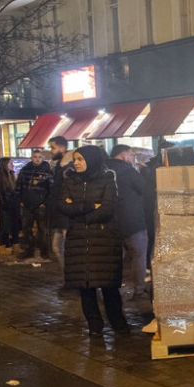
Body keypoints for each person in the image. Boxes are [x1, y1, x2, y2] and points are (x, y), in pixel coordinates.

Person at [59, 145, 130, 338]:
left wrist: (79, 214)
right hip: (78, 242)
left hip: (104, 238)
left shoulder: (107, 178)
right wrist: (91, 205)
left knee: (109, 286)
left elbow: (107, 208)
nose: (77, 163)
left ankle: (118, 322)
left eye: (81, 159)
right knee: (85, 286)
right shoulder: (70, 180)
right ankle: (94, 324)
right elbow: (63, 206)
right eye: (75, 159)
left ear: (92, 160)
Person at [106, 145, 148, 300]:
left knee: (115, 258)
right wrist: (144, 170)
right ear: (124, 156)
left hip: (110, 220)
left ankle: (111, 290)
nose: (132, 158)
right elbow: (144, 187)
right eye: (131, 155)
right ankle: (139, 289)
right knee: (138, 254)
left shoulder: (103, 171)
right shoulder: (128, 171)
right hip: (132, 220)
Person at [16, 149, 52, 258]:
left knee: (43, 229)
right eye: (35, 157)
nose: (37, 159)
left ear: (42, 158)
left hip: (40, 205)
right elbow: (18, 186)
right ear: (31, 158)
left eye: (39, 157)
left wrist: (45, 202)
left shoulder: (47, 172)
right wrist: (20, 201)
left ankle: (44, 252)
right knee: (26, 229)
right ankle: (29, 251)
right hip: (26, 205)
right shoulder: (25, 171)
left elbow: (52, 189)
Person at [47, 136, 74, 268]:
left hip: (66, 214)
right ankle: (68, 278)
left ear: (62, 148)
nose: (51, 151)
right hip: (58, 213)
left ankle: (73, 279)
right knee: (57, 247)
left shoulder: (68, 168)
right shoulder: (59, 166)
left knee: (66, 248)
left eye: (53, 147)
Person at [0, 158, 20, 252]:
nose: (12, 164)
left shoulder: (12, 174)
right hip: (5, 204)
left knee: (15, 225)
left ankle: (15, 245)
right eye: (10, 163)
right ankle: (2, 246)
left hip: (14, 204)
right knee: (4, 226)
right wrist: (4, 202)